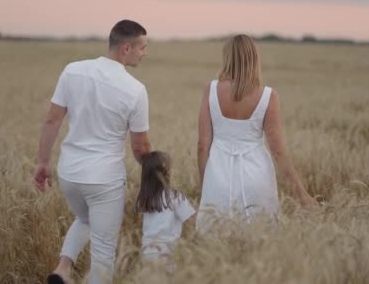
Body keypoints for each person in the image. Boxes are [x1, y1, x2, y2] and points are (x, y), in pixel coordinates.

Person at [33, 19, 151, 284]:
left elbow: (52, 119)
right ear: (127, 48)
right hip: (104, 179)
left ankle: (62, 268)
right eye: (143, 47)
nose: (145, 53)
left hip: (70, 173)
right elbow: (140, 147)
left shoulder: (73, 71)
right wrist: (155, 176)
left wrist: (42, 162)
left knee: (85, 218)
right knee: (104, 253)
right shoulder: (135, 90)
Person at [196, 34, 317, 230]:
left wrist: (205, 183)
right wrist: (300, 193)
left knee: (215, 234)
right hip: (256, 175)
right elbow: (278, 151)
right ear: (254, 58)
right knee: (260, 235)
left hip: (217, 174)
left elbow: (202, 145)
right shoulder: (269, 96)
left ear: (227, 57)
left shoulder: (211, 90)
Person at [136, 151, 195, 274]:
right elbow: (191, 221)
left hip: (147, 252)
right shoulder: (175, 197)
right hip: (168, 253)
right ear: (167, 173)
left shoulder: (145, 199)